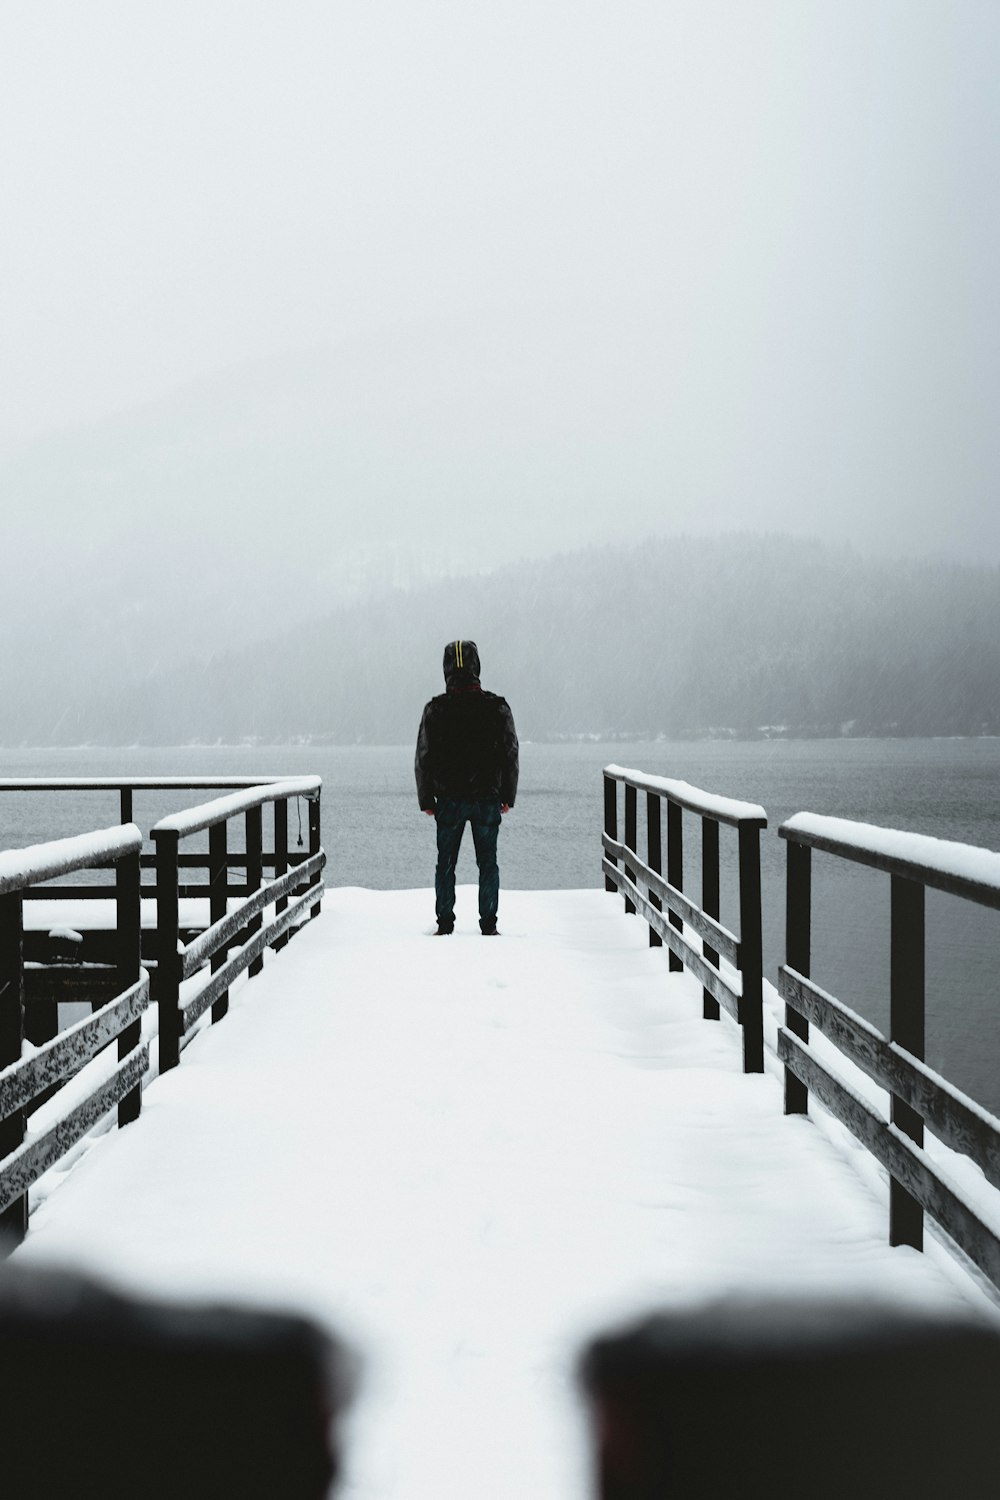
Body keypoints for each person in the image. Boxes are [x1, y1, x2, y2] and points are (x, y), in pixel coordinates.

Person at [415, 640, 519, 936]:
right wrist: (507, 795)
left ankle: (445, 924)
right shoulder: (496, 707)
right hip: (487, 797)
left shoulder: (435, 709)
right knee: (488, 863)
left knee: (445, 865)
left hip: (448, 799)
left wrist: (426, 798)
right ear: (477, 667)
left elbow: (424, 756)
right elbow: (510, 752)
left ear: (446, 669)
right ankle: (489, 925)